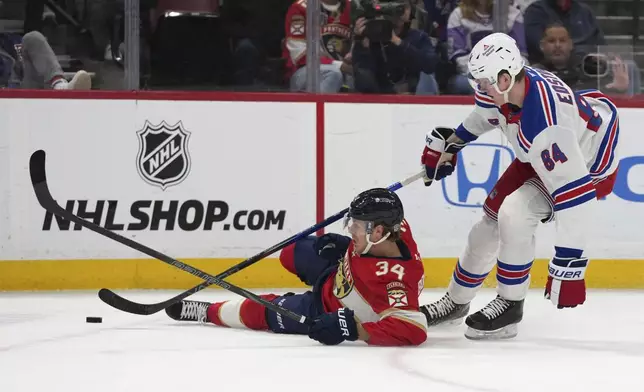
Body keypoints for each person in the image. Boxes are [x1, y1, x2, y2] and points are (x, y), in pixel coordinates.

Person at [418, 32, 620, 340]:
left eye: (484, 82)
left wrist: (570, 264)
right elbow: (486, 115)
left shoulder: (547, 124)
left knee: (514, 213)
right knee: (487, 225)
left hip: (585, 160)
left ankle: (511, 305)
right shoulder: (503, 86)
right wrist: (454, 144)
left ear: (505, 78)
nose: (480, 89)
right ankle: (456, 303)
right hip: (539, 153)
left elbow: (577, 198)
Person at [166, 188, 428, 346]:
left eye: (356, 228)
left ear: (378, 231)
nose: (351, 230)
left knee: (261, 311)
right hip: (336, 270)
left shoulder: (395, 283)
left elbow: (414, 330)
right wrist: (346, 244)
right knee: (290, 253)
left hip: (326, 307)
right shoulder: (395, 228)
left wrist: (354, 330)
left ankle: (208, 312)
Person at [351, 0, 439, 95]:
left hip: (415, 94)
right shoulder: (373, 38)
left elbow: (430, 65)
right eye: (396, 6)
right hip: (382, 96)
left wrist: (399, 42)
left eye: (404, 6)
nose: (400, 11)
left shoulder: (419, 37)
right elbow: (363, 79)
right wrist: (360, 42)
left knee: (427, 75)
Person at [282, 0, 352, 93]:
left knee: (363, 77)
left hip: (346, 72)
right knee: (333, 74)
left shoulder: (353, 8)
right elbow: (300, 56)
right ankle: (316, 107)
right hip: (304, 72)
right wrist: (339, 65)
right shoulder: (301, 8)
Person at [0, 30, 91, 89]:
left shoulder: (7, 39)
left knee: (33, 38)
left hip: (23, 89)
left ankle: (60, 86)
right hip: (6, 96)